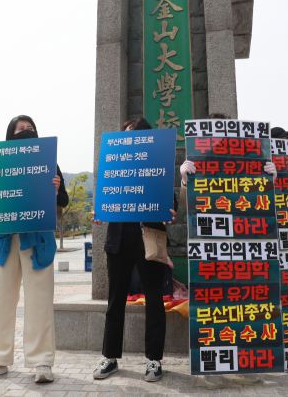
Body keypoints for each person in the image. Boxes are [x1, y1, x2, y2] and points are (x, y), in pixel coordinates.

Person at [0, 115, 68, 383]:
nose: (25, 131)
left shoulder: (47, 159)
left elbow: (64, 200)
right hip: (6, 240)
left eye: (29, 128)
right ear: (10, 135)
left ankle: (42, 363)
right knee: (2, 299)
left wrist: (56, 189)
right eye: (19, 129)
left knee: (39, 301)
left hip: (37, 241)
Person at [91, 118, 178, 383]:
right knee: (115, 300)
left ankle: (154, 360)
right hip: (119, 240)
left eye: (133, 136)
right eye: (126, 136)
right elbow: (106, 196)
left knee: (154, 299)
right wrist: (100, 211)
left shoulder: (158, 164)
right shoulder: (116, 165)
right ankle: (110, 357)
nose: (128, 141)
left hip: (150, 238)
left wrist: (170, 211)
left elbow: (169, 199)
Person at [178, 113, 278, 208]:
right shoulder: (198, 165)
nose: (220, 138)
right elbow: (187, 205)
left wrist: (269, 181)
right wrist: (185, 181)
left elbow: (262, 201)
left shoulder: (247, 164)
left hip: (241, 221)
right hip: (210, 222)